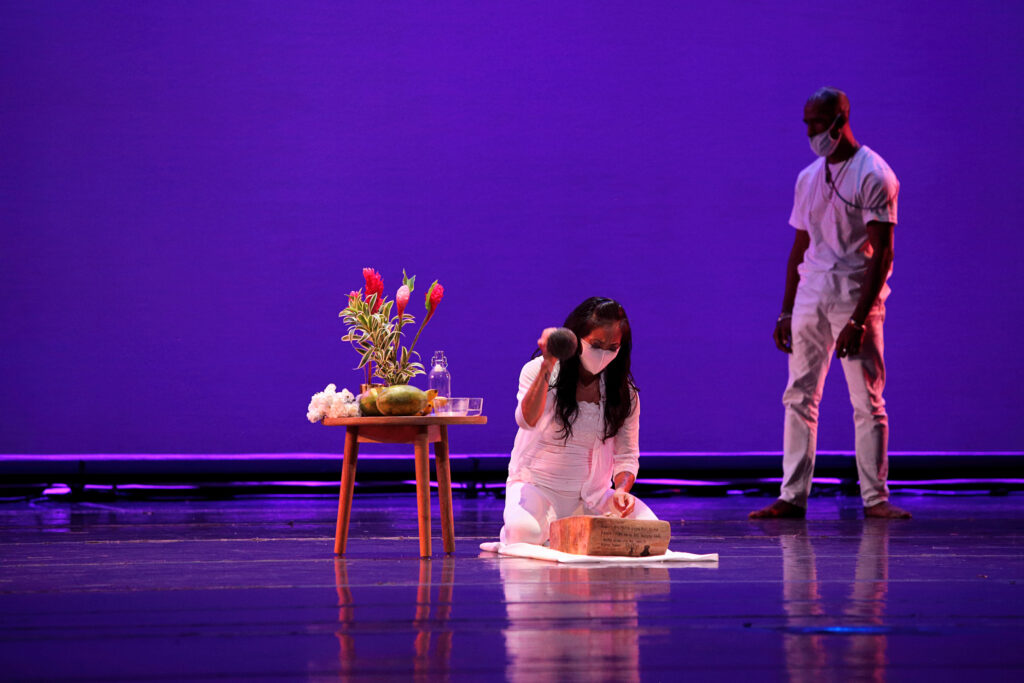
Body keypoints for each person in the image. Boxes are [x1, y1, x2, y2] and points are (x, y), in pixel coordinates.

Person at [750, 88, 911, 520]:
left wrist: (859, 319)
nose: (811, 132)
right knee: (798, 395)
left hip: (855, 293)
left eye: (818, 123)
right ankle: (792, 495)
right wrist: (786, 309)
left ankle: (875, 498)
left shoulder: (874, 174)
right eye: (806, 123)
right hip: (811, 293)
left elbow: (884, 253)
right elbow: (799, 246)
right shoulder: (808, 177)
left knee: (866, 399)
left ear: (841, 121)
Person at [500, 297, 658, 545]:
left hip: (593, 499)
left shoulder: (624, 392)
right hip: (538, 491)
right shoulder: (538, 370)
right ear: (575, 339)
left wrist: (621, 491)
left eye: (612, 347)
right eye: (596, 345)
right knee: (524, 533)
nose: (603, 354)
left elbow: (627, 455)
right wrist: (548, 363)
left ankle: (566, 535)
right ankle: (529, 528)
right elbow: (526, 420)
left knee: (648, 532)